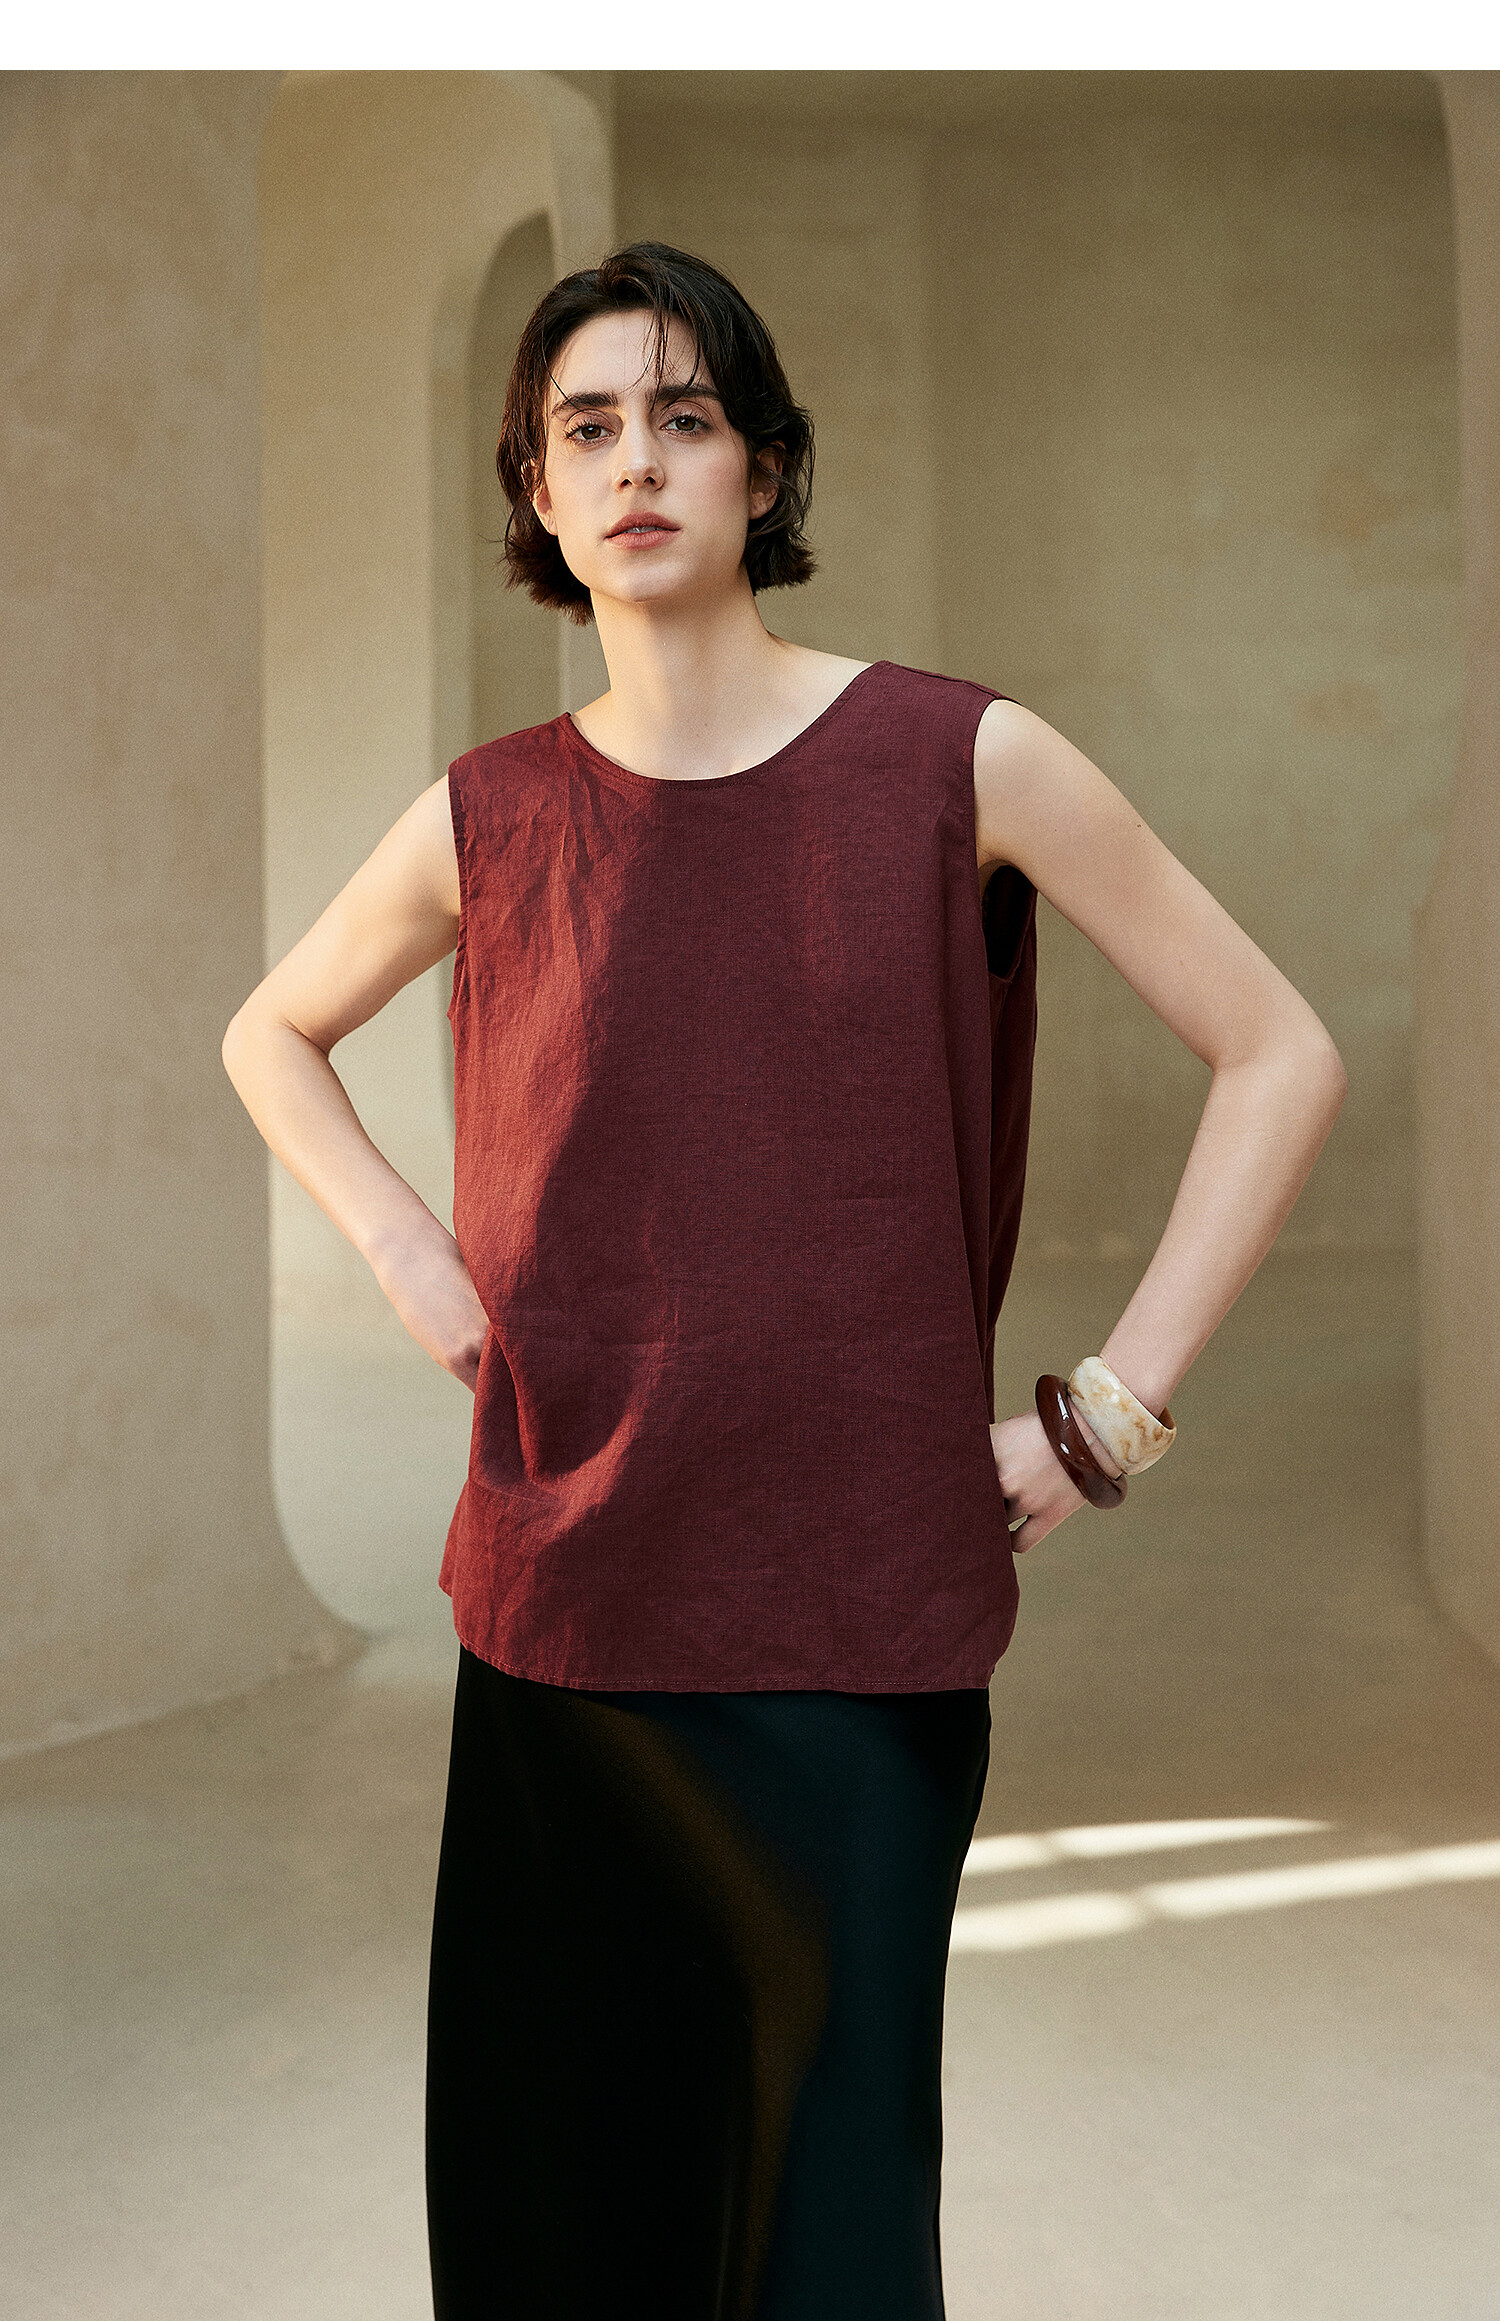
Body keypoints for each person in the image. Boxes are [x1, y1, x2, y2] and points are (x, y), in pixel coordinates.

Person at [221, 240, 1347, 2319]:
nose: (636, 462)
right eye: (587, 427)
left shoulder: (964, 760)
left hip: (859, 1632)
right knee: (563, 2236)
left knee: (827, 2241)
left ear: (763, 467)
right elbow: (268, 1032)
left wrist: (1106, 1417)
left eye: (685, 416)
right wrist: (401, 1242)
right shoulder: (491, 816)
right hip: (562, 1625)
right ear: (539, 491)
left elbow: (1280, 1052)